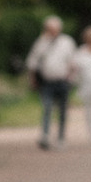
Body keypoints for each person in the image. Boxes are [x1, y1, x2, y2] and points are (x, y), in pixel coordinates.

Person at [25, 17, 76, 146]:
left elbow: (73, 62)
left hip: (63, 81)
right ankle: (45, 136)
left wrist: (71, 78)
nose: (52, 31)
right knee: (47, 107)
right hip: (47, 82)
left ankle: (61, 137)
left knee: (62, 111)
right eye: (49, 29)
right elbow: (32, 62)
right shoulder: (41, 42)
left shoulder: (67, 42)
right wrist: (32, 79)